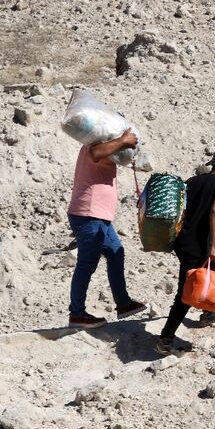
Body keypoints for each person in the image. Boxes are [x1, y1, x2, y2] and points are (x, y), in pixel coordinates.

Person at [156, 145, 215, 356]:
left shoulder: (193, 181)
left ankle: (210, 311)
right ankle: (165, 338)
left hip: (182, 242)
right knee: (186, 293)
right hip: (198, 246)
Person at [67, 128, 147, 329]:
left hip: (99, 216)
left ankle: (123, 303)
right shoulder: (95, 145)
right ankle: (77, 314)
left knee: (115, 253)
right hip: (88, 214)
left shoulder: (105, 147)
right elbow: (96, 153)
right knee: (87, 264)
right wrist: (123, 139)